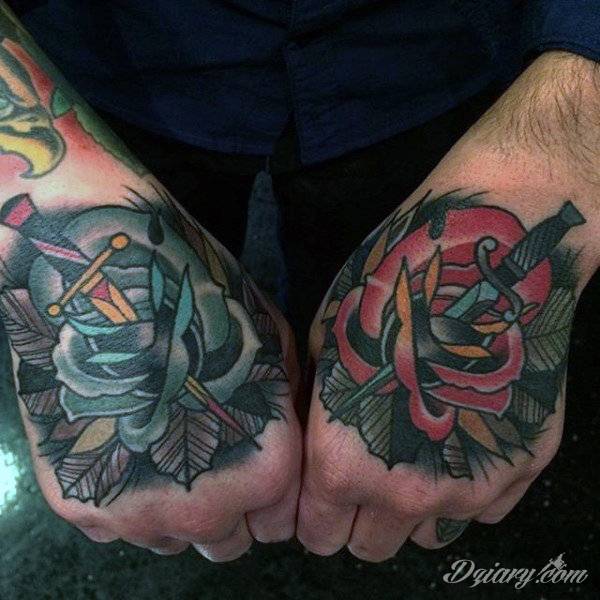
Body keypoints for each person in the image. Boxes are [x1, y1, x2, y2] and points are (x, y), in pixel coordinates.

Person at [0, 0, 597, 563]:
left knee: (343, 317)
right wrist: (32, 185)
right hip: (103, 70)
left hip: (441, 69)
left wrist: (571, 136)